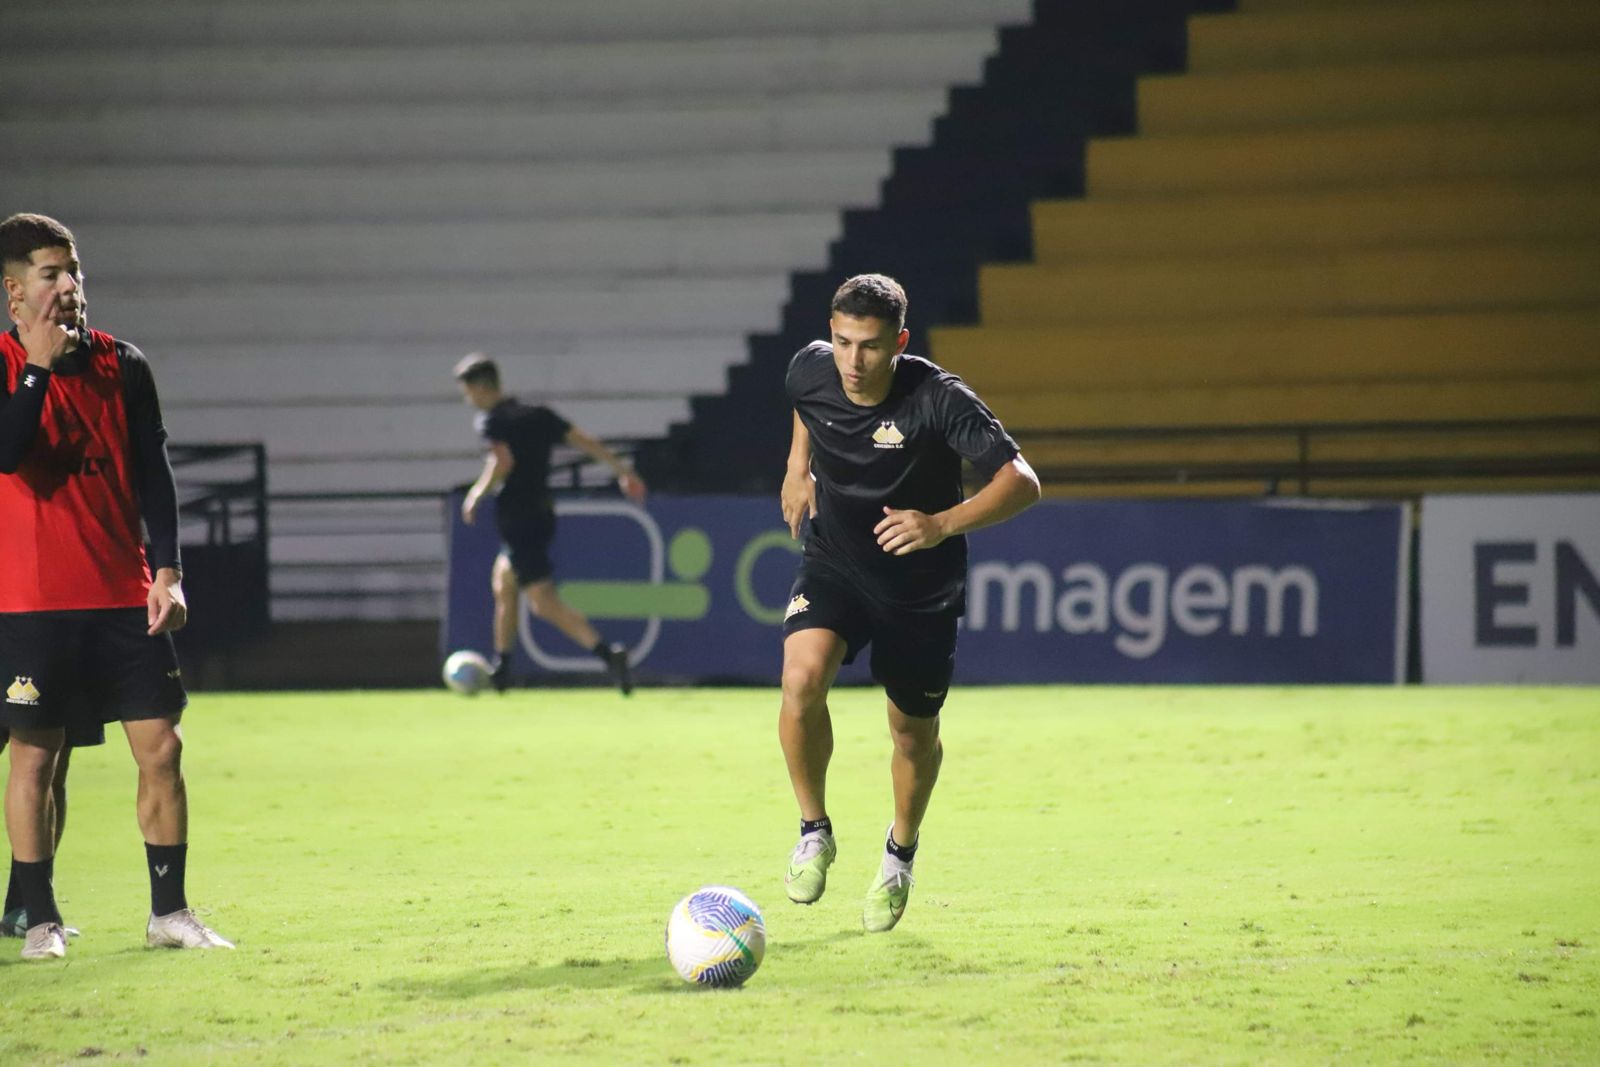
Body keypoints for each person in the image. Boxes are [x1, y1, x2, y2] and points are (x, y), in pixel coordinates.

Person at [0, 213, 232, 960]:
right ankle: (38, 920)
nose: (70, 287)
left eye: (75, 273)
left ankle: (169, 911)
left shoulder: (123, 363)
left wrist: (168, 570)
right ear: (13, 292)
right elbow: (9, 454)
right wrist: (36, 367)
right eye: (50, 274)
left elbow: (154, 476)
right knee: (36, 758)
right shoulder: (4, 364)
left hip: (121, 594)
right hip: (31, 600)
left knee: (162, 746)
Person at [777, 273, 1040, 932]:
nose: (852, 362)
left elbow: (1023, 481)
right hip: (836, 559)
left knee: (911, 734)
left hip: (920, 586)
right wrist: (796, 465)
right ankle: (814, 830)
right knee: (801, 677)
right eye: (842, 342)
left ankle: (899, 853)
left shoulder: (939, 398)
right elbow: (804, 403)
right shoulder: (811, 369)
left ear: (898, 340)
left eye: (868, 347)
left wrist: (941, 523)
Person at [455, 353, 647, 695]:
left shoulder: (492, 420)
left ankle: (608, 654)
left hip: (518, 517)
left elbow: (502, 461)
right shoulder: (538, 415)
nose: (468, 399)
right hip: (541, 513)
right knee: (504, 582)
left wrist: (476, 494)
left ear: (481, 388)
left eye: (468, 392)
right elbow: (585, 441)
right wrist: (623, 471)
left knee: (543, 602)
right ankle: (502, 668)